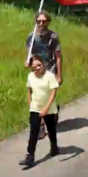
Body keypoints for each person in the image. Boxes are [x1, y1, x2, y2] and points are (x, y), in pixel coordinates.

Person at [25, 11, 62, 140]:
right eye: (39, 21)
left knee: (48, 95)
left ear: (48, 22)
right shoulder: (31, 36)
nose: (41, 24)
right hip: (37, 69)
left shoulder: (53, 37)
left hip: (50, 68)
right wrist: (28, 62)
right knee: (38, 96)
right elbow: (30, 53)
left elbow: (58, 57)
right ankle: (42, 124)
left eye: (43, 21)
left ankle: (48, 118)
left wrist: (59, 74)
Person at [19, 55, 60, 167]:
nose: (37, 68)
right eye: (34, 66)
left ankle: (54, 147)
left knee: (51, 130)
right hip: (35, 108)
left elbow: (53, 93)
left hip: (49, 108)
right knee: (33, 132)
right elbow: (29, 91)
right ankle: (30, 156)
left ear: (43, 65)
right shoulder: (30, 76)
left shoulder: (50, 76)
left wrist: (46, 108)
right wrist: (30, 104)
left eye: (39, 65)